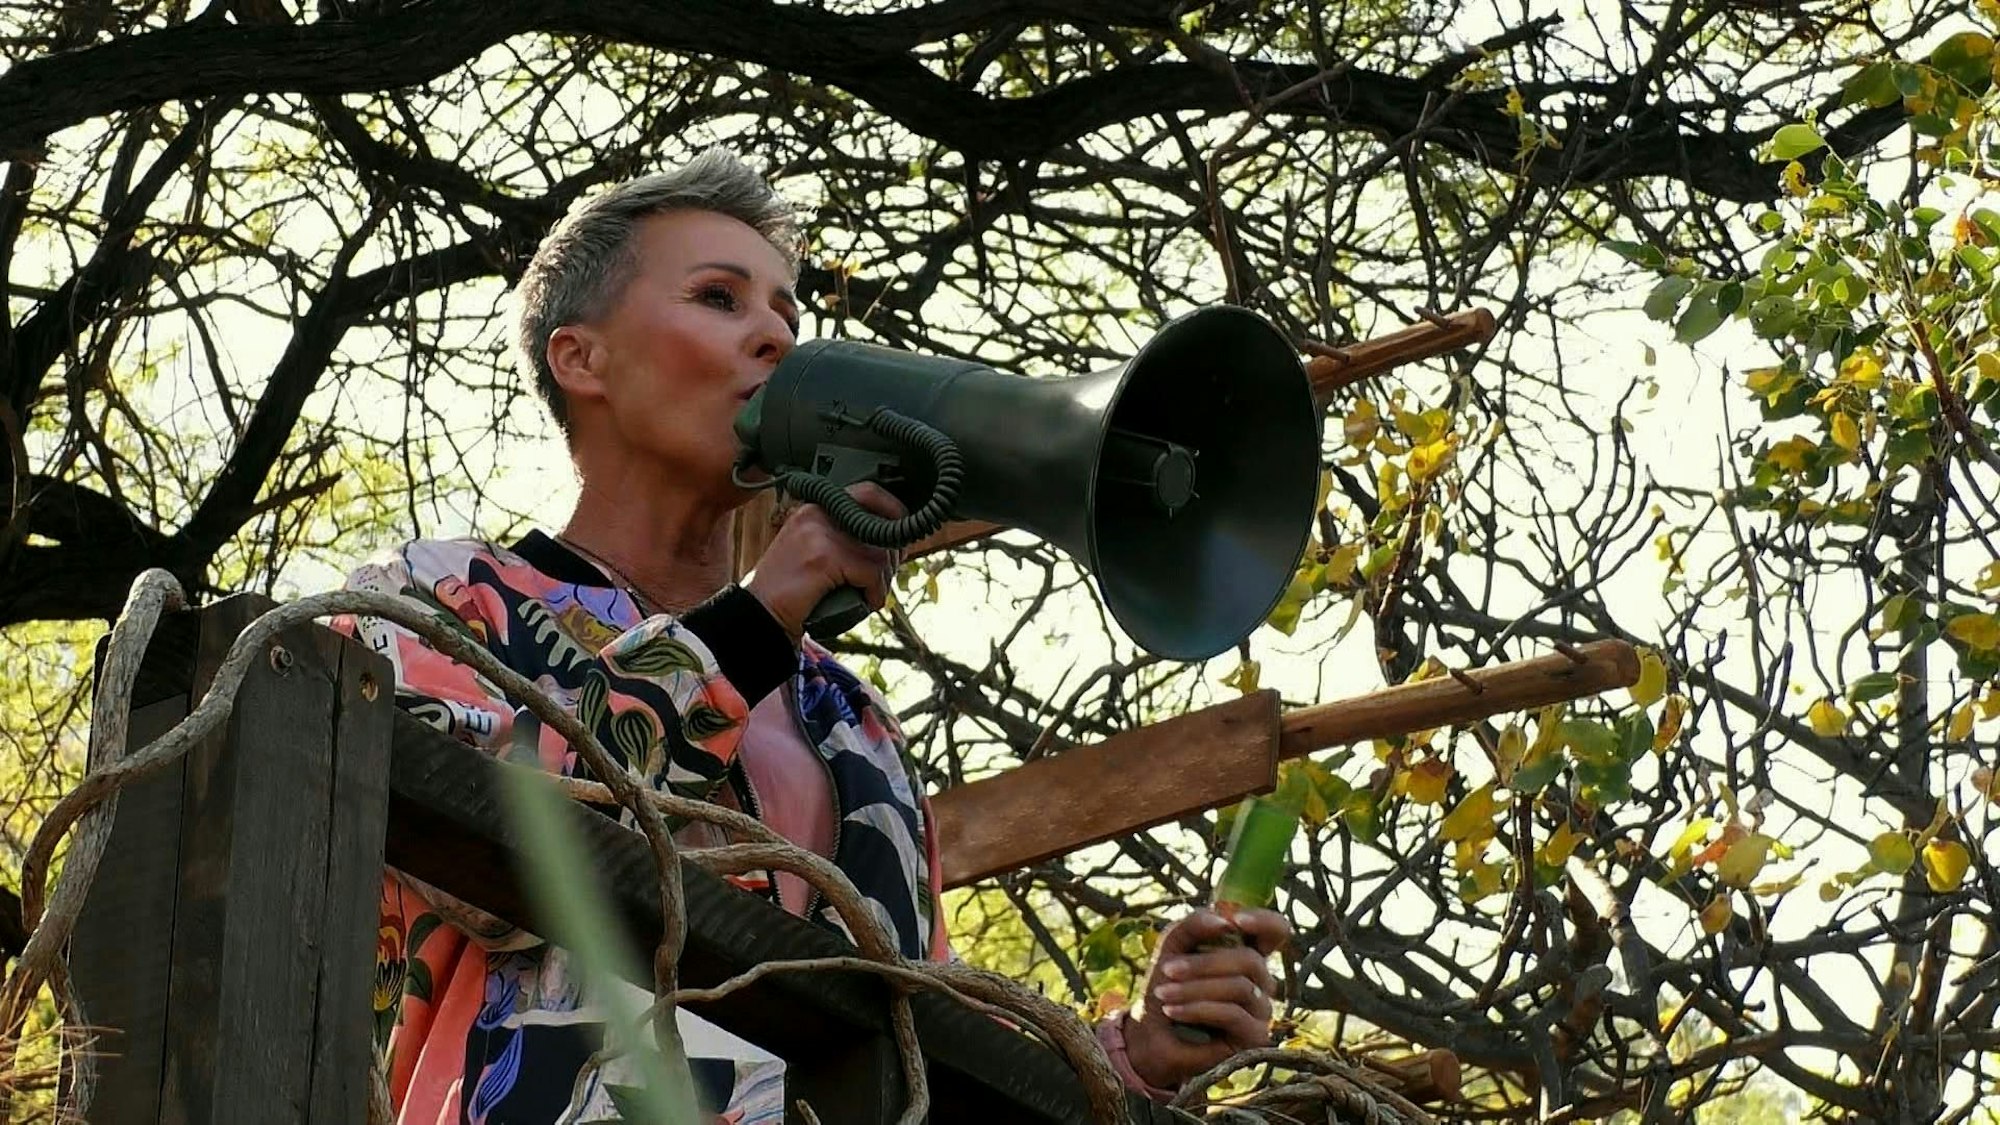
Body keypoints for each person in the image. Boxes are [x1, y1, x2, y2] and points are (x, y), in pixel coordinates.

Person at [338, 148, 1289, 1123]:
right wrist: (754, 623)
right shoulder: (435, 601)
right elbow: (492, 864)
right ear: (581, 359)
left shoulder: (850, 718)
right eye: (719, 298)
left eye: (788, 315)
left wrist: (1134, 1054)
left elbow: (926, 1041)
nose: (777, 337)